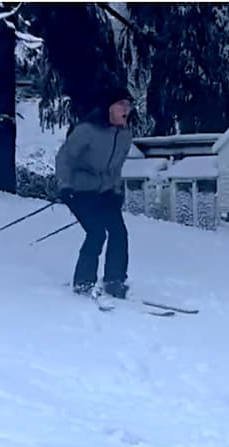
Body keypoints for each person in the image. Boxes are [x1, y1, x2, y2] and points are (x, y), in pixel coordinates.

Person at [55, 84, 134, 298]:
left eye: (128, 105)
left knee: (119, 233)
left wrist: (116, 190)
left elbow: (116, 167)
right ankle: (83, 281)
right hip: (79, 190)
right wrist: (65, 185)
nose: (126, 109)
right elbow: (65, 158)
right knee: (96, 232)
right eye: (121, 105)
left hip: (106, 192)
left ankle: (114, 280)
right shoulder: (87, 131)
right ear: (108, 108)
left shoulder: (125, 135)